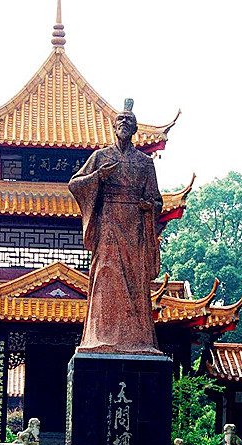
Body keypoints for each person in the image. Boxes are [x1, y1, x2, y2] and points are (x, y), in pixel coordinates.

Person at [68, 99, 163, 355]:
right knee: (105, 276)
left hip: (134, 226)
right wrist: (99, 177)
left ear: (135, 129)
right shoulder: (100, 157)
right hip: (108, 222)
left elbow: (157, 200)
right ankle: (100, 337)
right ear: (113, 126)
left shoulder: (145, 162)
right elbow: (75, 184)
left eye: (129, 121)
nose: (124, 124)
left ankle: (139, 340)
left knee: (135, 280)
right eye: (120, 120)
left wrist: (148, 206)